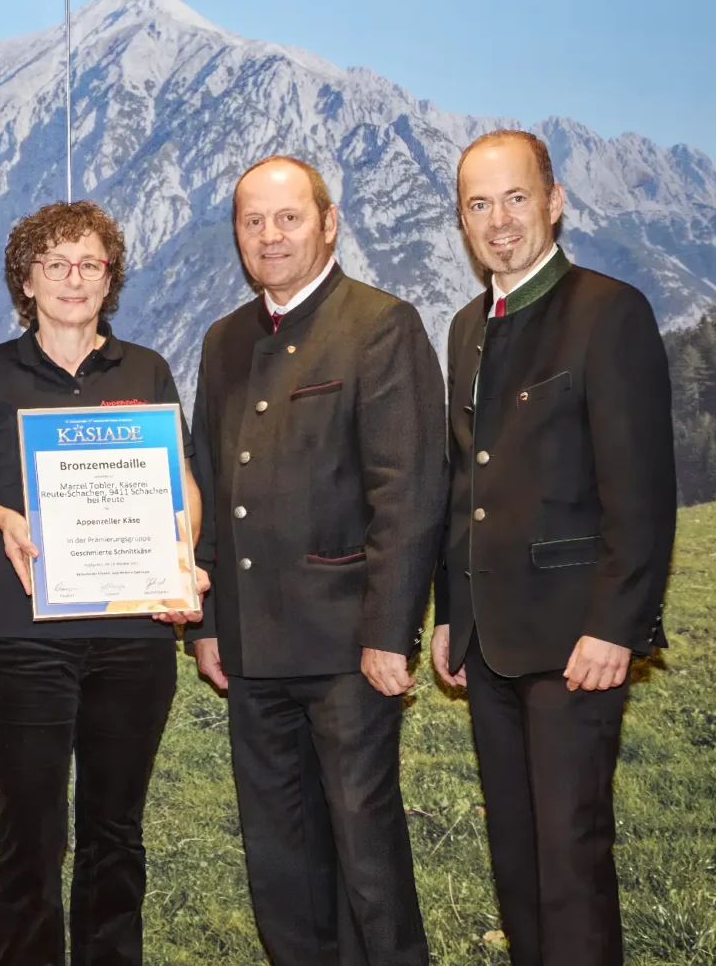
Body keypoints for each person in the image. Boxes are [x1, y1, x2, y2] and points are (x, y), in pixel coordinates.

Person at [184, 156, 444, 965]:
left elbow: (409, 492)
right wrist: (206, 625)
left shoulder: (380, 324)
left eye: (288, 218)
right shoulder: (223, 340)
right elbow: (208, 486)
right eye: (252, 222)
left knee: (367, 855)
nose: (270, 236)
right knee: (279, 859)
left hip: (347, 649)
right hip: (252, 650)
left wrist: (388, 632)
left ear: (328, 223)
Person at [0, 200, 206, 966]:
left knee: (116, 832)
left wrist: (182, 553)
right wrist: (1, 517)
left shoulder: (146, 369)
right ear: (27, 279)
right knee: (32, 834)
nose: (73, 279)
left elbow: (180, 488)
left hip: (133, 637)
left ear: (109, 276)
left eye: (89, 263)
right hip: (24, 638)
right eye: (55, 264)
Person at [432, 129, 676, 966]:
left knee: (569, 858)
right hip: (489, 644)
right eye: (478, 205)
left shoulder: (609, 311)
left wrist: (618, 625)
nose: (499, 222)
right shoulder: (467, 326)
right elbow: (465, 488)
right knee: (516, 857)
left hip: (578, 642)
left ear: (554, 201)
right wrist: (448, 618)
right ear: (462, 222)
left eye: (515, 198)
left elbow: (640, 492)